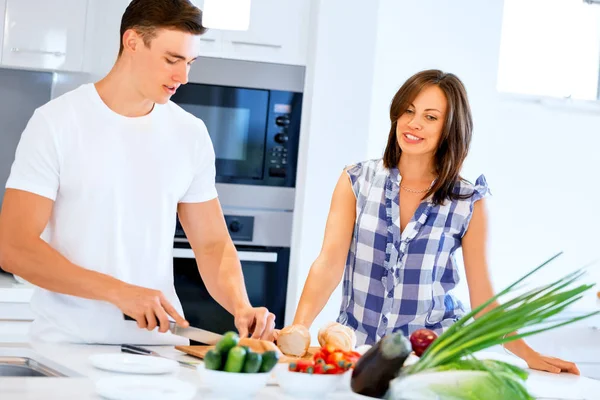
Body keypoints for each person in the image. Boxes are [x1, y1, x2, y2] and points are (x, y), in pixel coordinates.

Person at [0, 0, 275, 345]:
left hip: (159, 347)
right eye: (172, 60)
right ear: (132, 42)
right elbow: (14, 247)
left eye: (189, 63)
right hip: (68, 344)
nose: (183, 76)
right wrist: (120, 293)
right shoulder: (57, 123)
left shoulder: (189, 133)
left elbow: (212, 245)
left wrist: (241, 306)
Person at [284, 69, 579, 374]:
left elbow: (483, 298)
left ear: (450, 127)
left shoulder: (468, 201)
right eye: (409, 111)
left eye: (430, 117)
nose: (414, 123)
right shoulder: (357, 180)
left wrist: (527, 354)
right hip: (358, 351)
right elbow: (329, 263)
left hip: (431, 358)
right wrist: (298, 329)